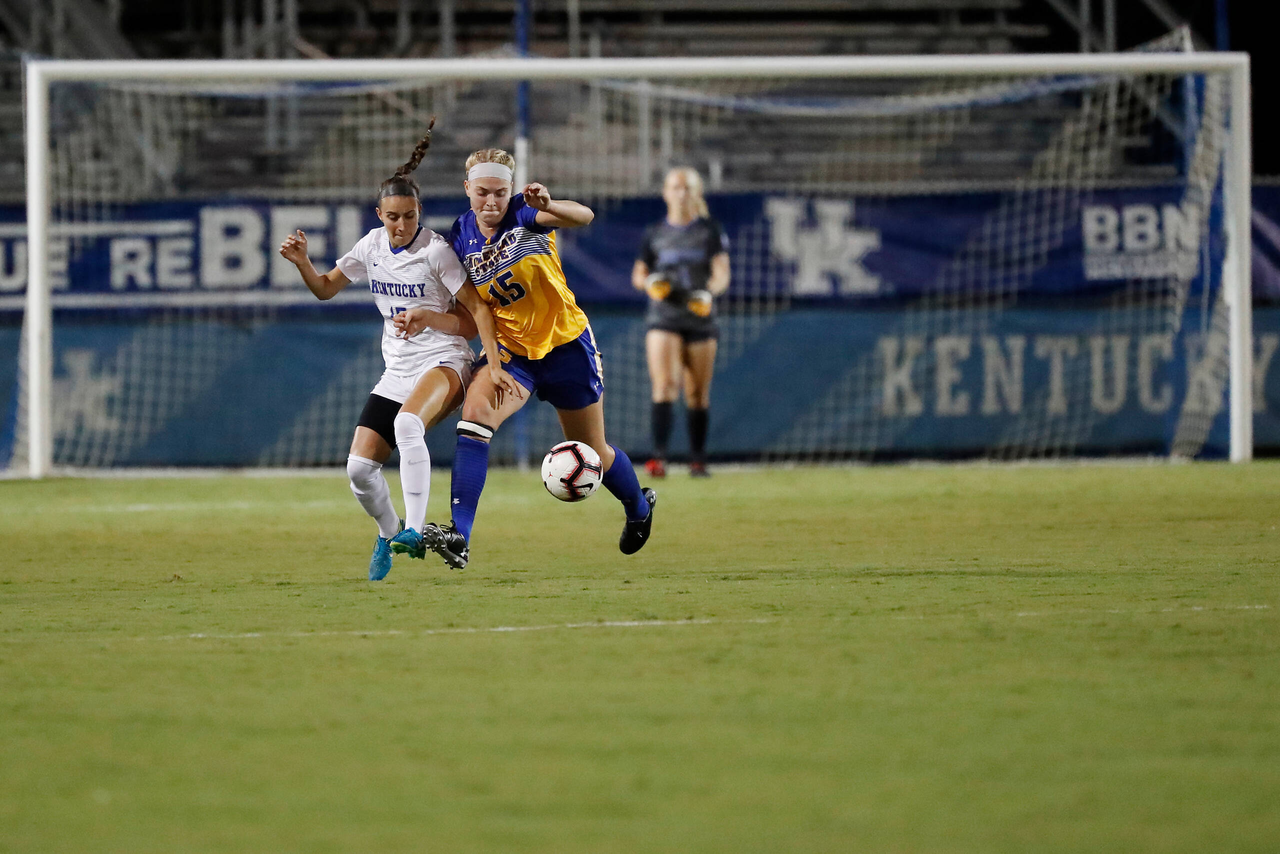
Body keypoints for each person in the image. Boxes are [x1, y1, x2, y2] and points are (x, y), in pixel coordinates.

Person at [394, 148, 655, 570]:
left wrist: (549, 205)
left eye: (500, 192)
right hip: (513, 352)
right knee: (475, 418)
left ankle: (638, 507)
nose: (491, 202)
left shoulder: (525, 214)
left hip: (567, 347)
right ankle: (460, 535)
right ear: (467, 189)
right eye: (482, 193)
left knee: (594, 451)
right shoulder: (459, 237)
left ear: (511, 190)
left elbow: (583, 215)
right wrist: (429, 318)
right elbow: (471, 318)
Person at [279, 124, 506, 582]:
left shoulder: (436, 252)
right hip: (398, 370)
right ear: (379, 214)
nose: (401, 225)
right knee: (359, 470)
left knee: (407, 424)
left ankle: (417, 532)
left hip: (446, 360)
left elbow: (476, 317)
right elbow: (325, 290)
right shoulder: (370, 246)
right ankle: (389, 531)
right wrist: (304, 262)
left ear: (419, 211)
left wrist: (430, 318)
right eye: (392, 217)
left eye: (409, 216)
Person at [631, 167, 730, 478]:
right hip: (664, 317)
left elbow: (721, 274)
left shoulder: (710, 230)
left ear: (696, 193)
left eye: (687, 187)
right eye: (676, 187)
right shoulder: (655, 232)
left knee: (698, 392)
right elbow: (639, 274)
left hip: (700, 318)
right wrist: (650, 284)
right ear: (665, 192)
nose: (681, 193)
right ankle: (659, 458)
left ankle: (698, 460)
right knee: (664, 386)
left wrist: (709, 293)